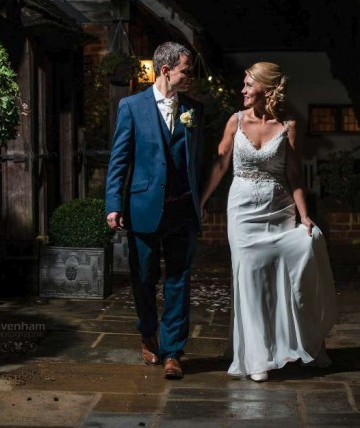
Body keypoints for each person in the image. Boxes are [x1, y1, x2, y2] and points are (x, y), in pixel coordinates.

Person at [200, 62, 337, 382]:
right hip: (242, 212)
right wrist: (202, 201)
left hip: (280, 210)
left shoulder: (288, 126)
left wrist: (304, 215)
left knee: (282, 281)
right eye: (244, 85)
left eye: (249, 85)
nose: (243, 90)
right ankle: (256, 356)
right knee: (248, 278)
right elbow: (220, 166)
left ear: (266, 88)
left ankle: (291, 345)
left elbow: (293, 174)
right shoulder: (234, 121)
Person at [105, 41, 204, 380]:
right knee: (144, 278)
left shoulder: (194, 110)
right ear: (166, 71)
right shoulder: (131, 107)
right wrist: (113, 205)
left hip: (182, 212)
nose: (190, 77)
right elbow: (119, 160)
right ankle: (148, 334)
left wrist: (200, 202)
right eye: (186, 72)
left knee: (178, 281)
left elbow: (198, 163)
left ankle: (173, 352)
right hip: (144, 208)